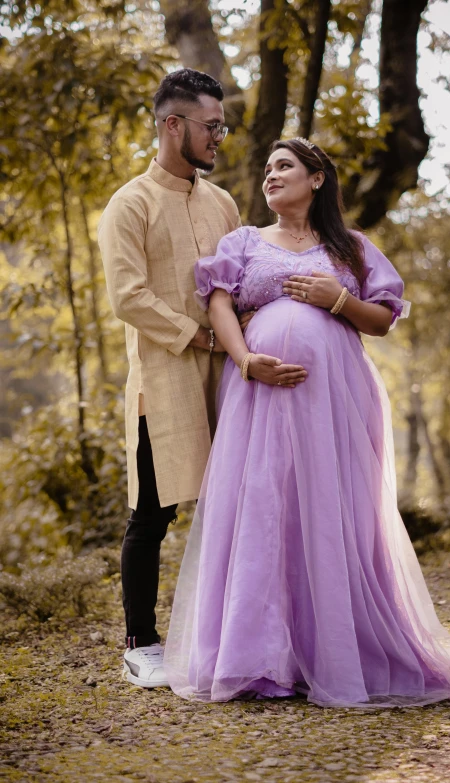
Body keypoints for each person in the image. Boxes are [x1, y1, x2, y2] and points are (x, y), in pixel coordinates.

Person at [164, 138, 450, 708]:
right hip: (260, 400)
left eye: (285, 166)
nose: (271, 176)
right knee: (263, 509)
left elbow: (381, 320)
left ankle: (333, 653)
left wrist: (336, 300)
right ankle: (259, 661)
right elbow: (220, 305)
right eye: (268, 168)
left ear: (318, 179)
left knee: (330, 514)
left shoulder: (351, 247)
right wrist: (245, 359)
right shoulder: (243, 243)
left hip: (335, 404)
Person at [97, 68, 247, 688]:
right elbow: (127, 296)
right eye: (211, 126)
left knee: (237, 503)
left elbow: (241, 283)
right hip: (163, 382)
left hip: (230, 379)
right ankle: (142, 642)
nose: (220, 136)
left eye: (221, 126)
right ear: (173, 125)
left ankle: (232, 632)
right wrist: (197, 335)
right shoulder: (130, 203)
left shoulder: (223, 203)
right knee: (152, 516)